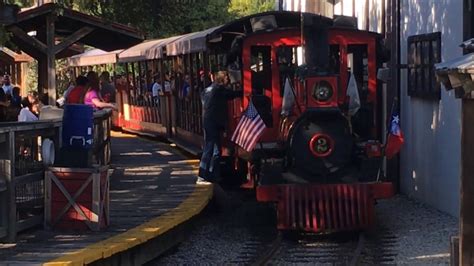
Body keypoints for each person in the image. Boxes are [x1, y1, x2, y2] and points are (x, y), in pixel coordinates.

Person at [198, 71, 242, 183]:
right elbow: (233, 94)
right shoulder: (219, 90)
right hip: (214, 122)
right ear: (222, 80)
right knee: (210, 148)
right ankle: (203, 174)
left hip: (209, 121)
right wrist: (243, 90)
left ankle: (212, 174)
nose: (228, 80)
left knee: (216, 150)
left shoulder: (207, 90)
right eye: (227, 78)